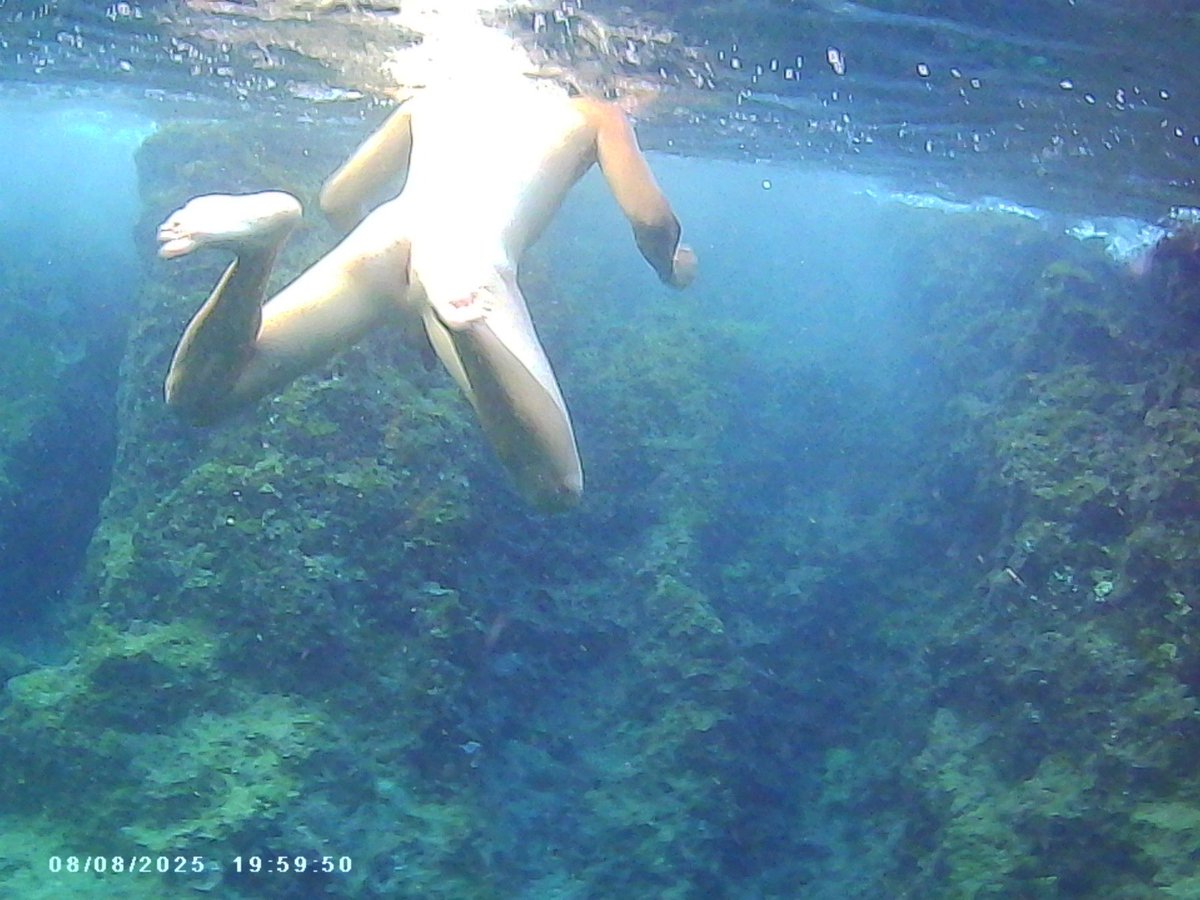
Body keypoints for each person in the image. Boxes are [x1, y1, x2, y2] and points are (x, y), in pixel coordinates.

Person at [158, 73, 696, 513]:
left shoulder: (435, 95)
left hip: (380, 241)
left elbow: (337, 199)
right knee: (556, 488)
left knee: (198, 398)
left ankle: (259, 248)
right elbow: (650, 219)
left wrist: (388, 284)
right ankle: (467, 329)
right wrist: (669, 266)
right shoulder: (595, 114)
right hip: (465, 257)